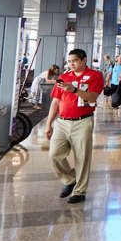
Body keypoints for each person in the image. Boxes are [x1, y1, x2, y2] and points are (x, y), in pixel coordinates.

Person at [45, 49, 104, 203]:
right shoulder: (64, 77)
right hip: (62, 122)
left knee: (82, 157)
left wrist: (75, 90)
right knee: (54, 154)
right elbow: (55, 101)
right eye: (69, 61)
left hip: (83, 121)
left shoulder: (95, 76)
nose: (71, 64)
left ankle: (79, 191)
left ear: (84, 60)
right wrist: (48, 123)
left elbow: (92, 97)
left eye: (75, 61)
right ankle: (69, 180)